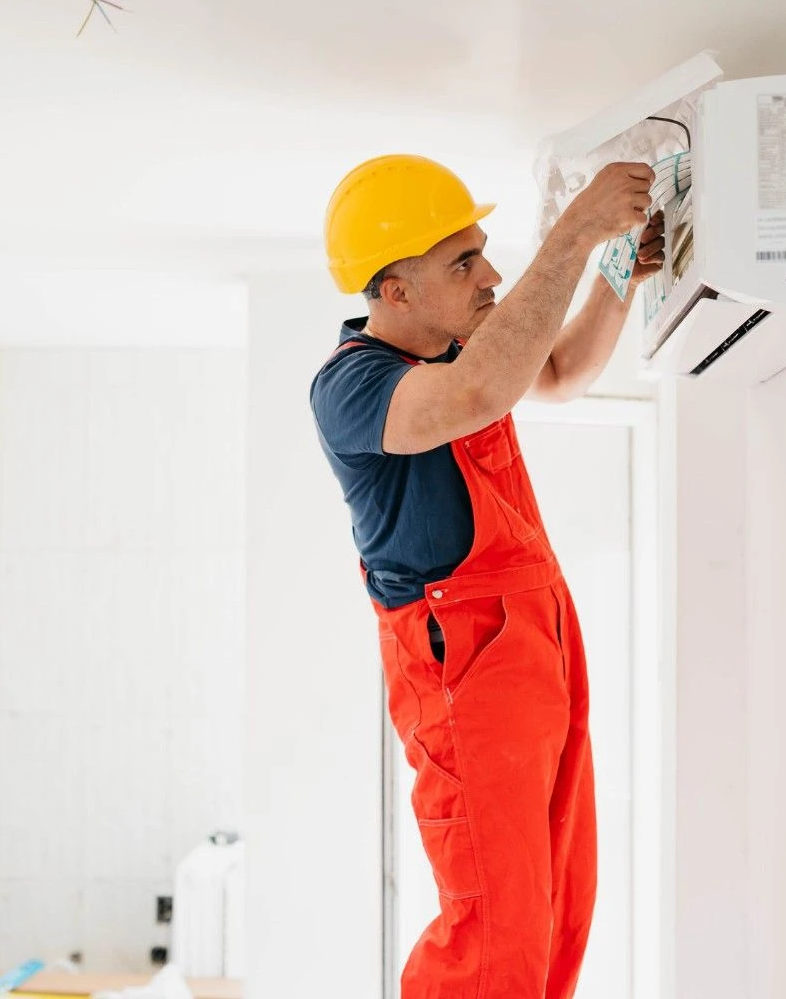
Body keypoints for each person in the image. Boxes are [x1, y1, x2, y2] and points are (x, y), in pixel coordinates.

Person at [309, 153, 663, 998]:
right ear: (395, 290)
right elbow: (477, 395)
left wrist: (619, 272)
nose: (491, 273)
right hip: (463, 663)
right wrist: (576, 231)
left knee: (555, 911)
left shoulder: (467, 345)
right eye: (463, 261)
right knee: (493, 931)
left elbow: (562, 371)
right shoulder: (351, 385)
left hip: (535, 638)